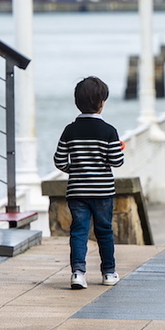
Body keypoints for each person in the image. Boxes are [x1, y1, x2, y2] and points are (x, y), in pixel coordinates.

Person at [53, 76, 124, 289]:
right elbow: (116, 162)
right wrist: (118, 149)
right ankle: (109, 272)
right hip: (103, 192)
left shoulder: (70, 130)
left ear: (77, 102)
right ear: (102, 103)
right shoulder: (109, 131)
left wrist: (74, 170)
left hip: (77, 192)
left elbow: (59, 160)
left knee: (79, 231)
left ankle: (78, 272)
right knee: (104, 231)